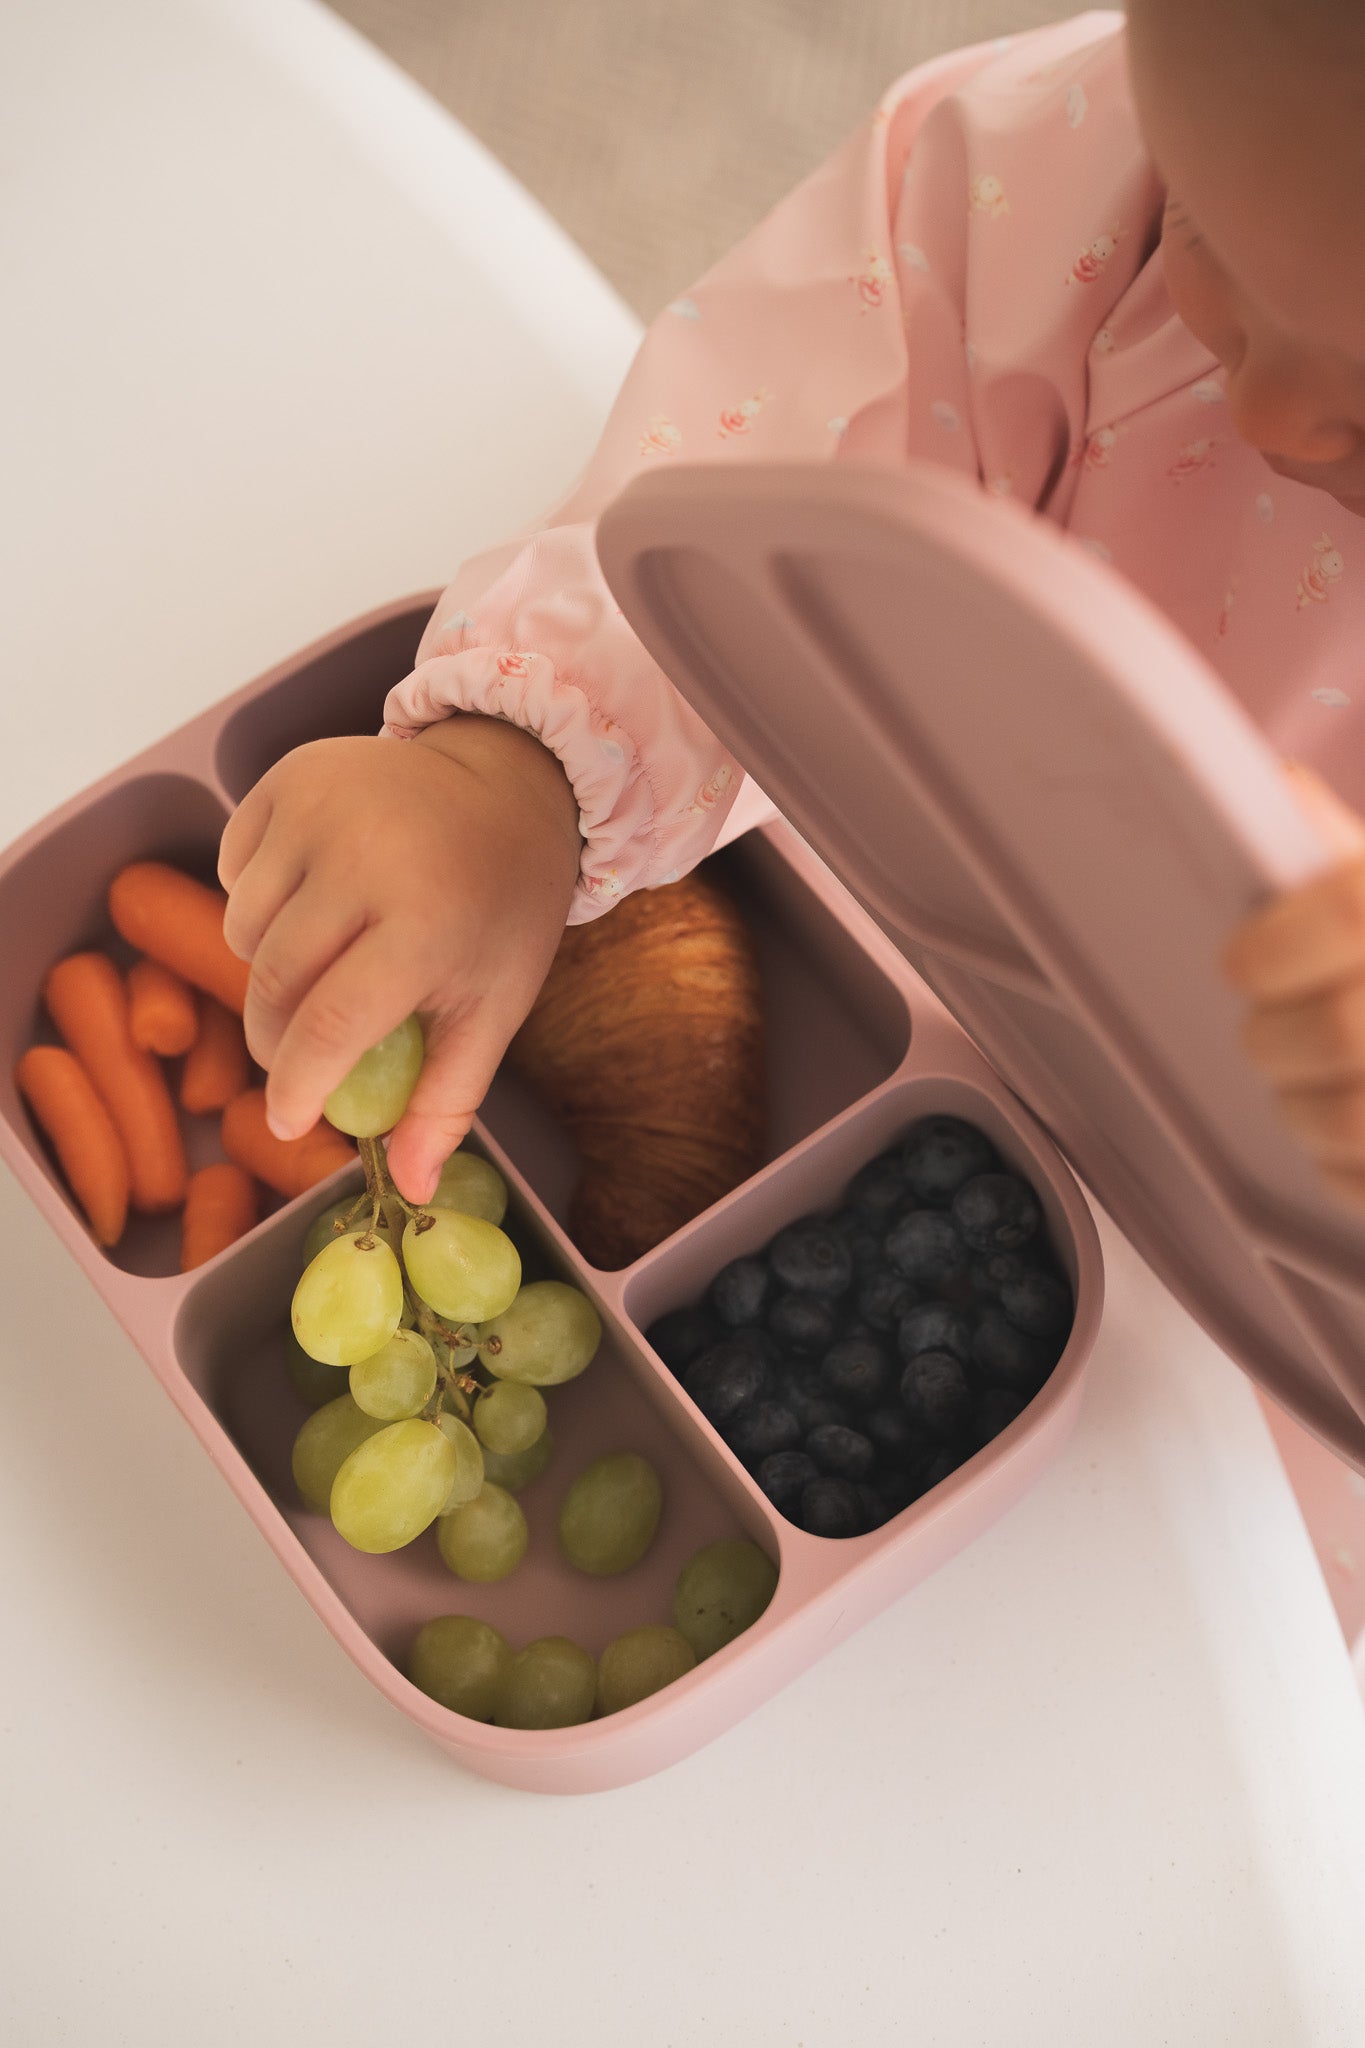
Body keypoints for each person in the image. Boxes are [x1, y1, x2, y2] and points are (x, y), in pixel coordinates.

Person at [219, 0, 1365, 1211]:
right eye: (1206, 229)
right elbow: (803, 445)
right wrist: (516, 768)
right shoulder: (1092, 165)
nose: (1273, 412)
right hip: (958, 923)